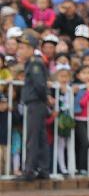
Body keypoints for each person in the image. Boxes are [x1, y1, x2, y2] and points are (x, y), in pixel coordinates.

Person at [17, 31, 50, 180]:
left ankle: (29, 170)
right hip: (37, 103)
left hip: (36, 103)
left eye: (23, 47)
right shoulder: (32, 63)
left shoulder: (35, 63)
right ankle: (43, 169)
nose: (20, 50)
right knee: (40, 137)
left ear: (31, 48)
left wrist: (44, 98)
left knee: (33, 137)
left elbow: (39, 85)